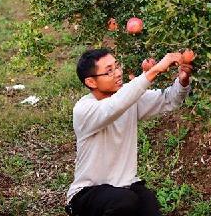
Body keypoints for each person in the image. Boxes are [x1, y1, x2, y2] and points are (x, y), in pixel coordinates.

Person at [65, 48, 192, 216]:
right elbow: (114, 106)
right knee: (123, 201)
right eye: (109, 71)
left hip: (125, 186)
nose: (118, 73)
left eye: (117, 66)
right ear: (91, 82)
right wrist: (154, 70)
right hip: (87, 194)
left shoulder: (127, 98)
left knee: (147, 201)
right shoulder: (84, 110)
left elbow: (168, 100)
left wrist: (183, 81)